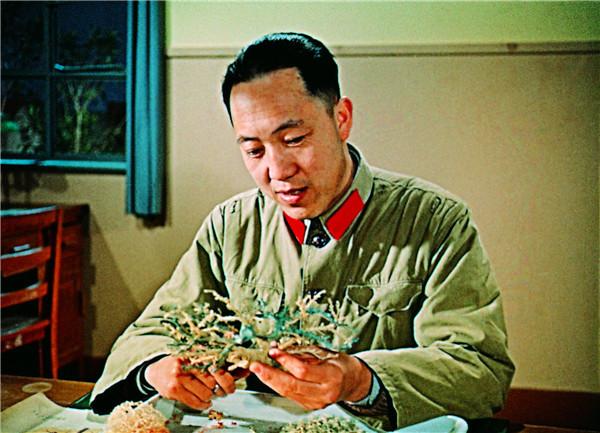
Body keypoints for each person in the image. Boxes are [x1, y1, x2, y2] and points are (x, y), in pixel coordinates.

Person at [90, 32, 514, 430]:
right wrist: (156, 369)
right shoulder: (231, 226)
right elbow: (148, 334)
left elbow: (480, 370)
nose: (277, 171)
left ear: (341, 118)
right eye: (254, 150)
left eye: (293, 139)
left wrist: (361, 381)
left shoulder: (434, 220)